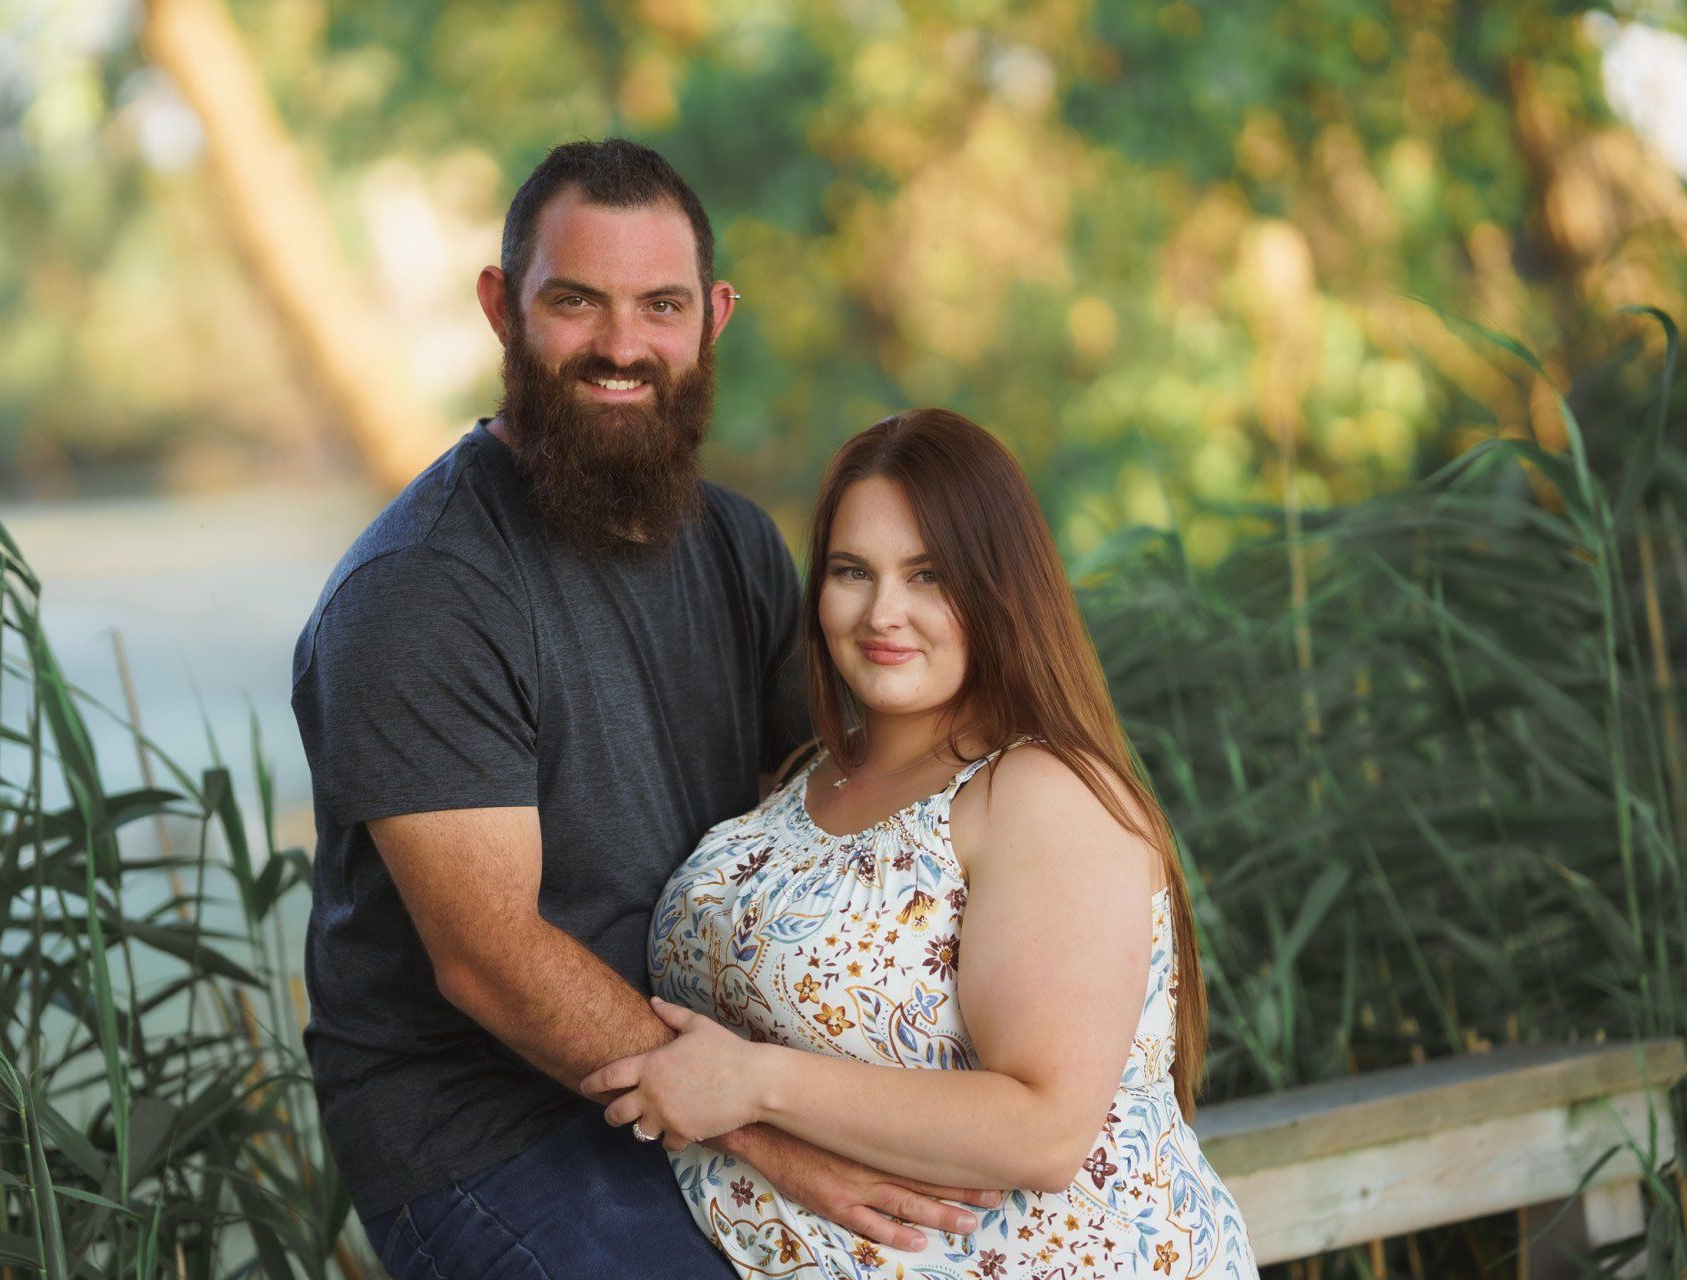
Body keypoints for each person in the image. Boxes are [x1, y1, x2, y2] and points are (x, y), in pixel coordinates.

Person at [290, 141, 1003, 1280]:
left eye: (660, 306)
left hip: (722, 1067)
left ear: (713, 318)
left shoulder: (738, 547)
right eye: (577, 302)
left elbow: (841, 807)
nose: (623, 346)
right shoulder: (420, 591)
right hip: (496, 1127)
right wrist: (782, 1143)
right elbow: (492, 960)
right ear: (501, 309)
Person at [585, 409, 1259, 1279]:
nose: (882, 613)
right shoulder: (812, 774)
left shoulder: (1039, 794)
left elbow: (1046, 1128)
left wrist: (754, 1084)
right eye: (852, 571)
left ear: (997, 588)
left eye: (928, 575)